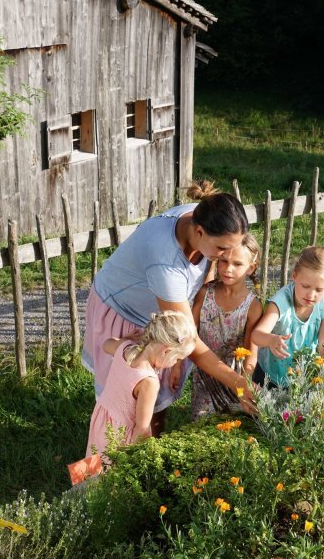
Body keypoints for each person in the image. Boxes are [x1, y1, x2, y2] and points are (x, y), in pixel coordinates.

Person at [83, 180, 253, 432]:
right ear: (199, 233)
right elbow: (185, 336)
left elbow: (200, 283)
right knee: (127, 402)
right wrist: (238, 383)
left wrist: (177, 361)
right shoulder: (165, 263)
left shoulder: (204, 219)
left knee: (154, 398)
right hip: (124, 312)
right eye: (222, 249)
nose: (227, 257)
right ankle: (117, 452)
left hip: (161, 319)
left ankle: (150, 440)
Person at [85, 311, 197, 462]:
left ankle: (85, 483)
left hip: (102, 420)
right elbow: (142, 428)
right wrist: (140, 458)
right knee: (113, 479)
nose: (174, 363)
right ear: (167, 351)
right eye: (177, 358)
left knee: (94, 463)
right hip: (120, 436)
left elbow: (106, 345)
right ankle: (98, 485)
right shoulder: (148, 382)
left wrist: (125, 339)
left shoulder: (125, 348)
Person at [189, 234, 263, 418]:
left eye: (237, 264)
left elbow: (250, 353)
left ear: (251, 268)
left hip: (235, 378)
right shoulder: (205, 294)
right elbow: (188, 334)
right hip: (204, 376)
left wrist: (244, 384)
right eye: (223, 261)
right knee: (201, 424)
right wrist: (176, 368)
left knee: (237, 423)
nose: (228, 269)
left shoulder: (252, 307)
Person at [252, 246, 324, 386]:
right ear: (294, 276)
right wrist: (271, 340)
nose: (311, 295)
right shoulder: (280, 302)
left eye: (319, 289)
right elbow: (256, 335)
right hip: (269, 375)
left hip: (302, 374)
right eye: (305, 286)